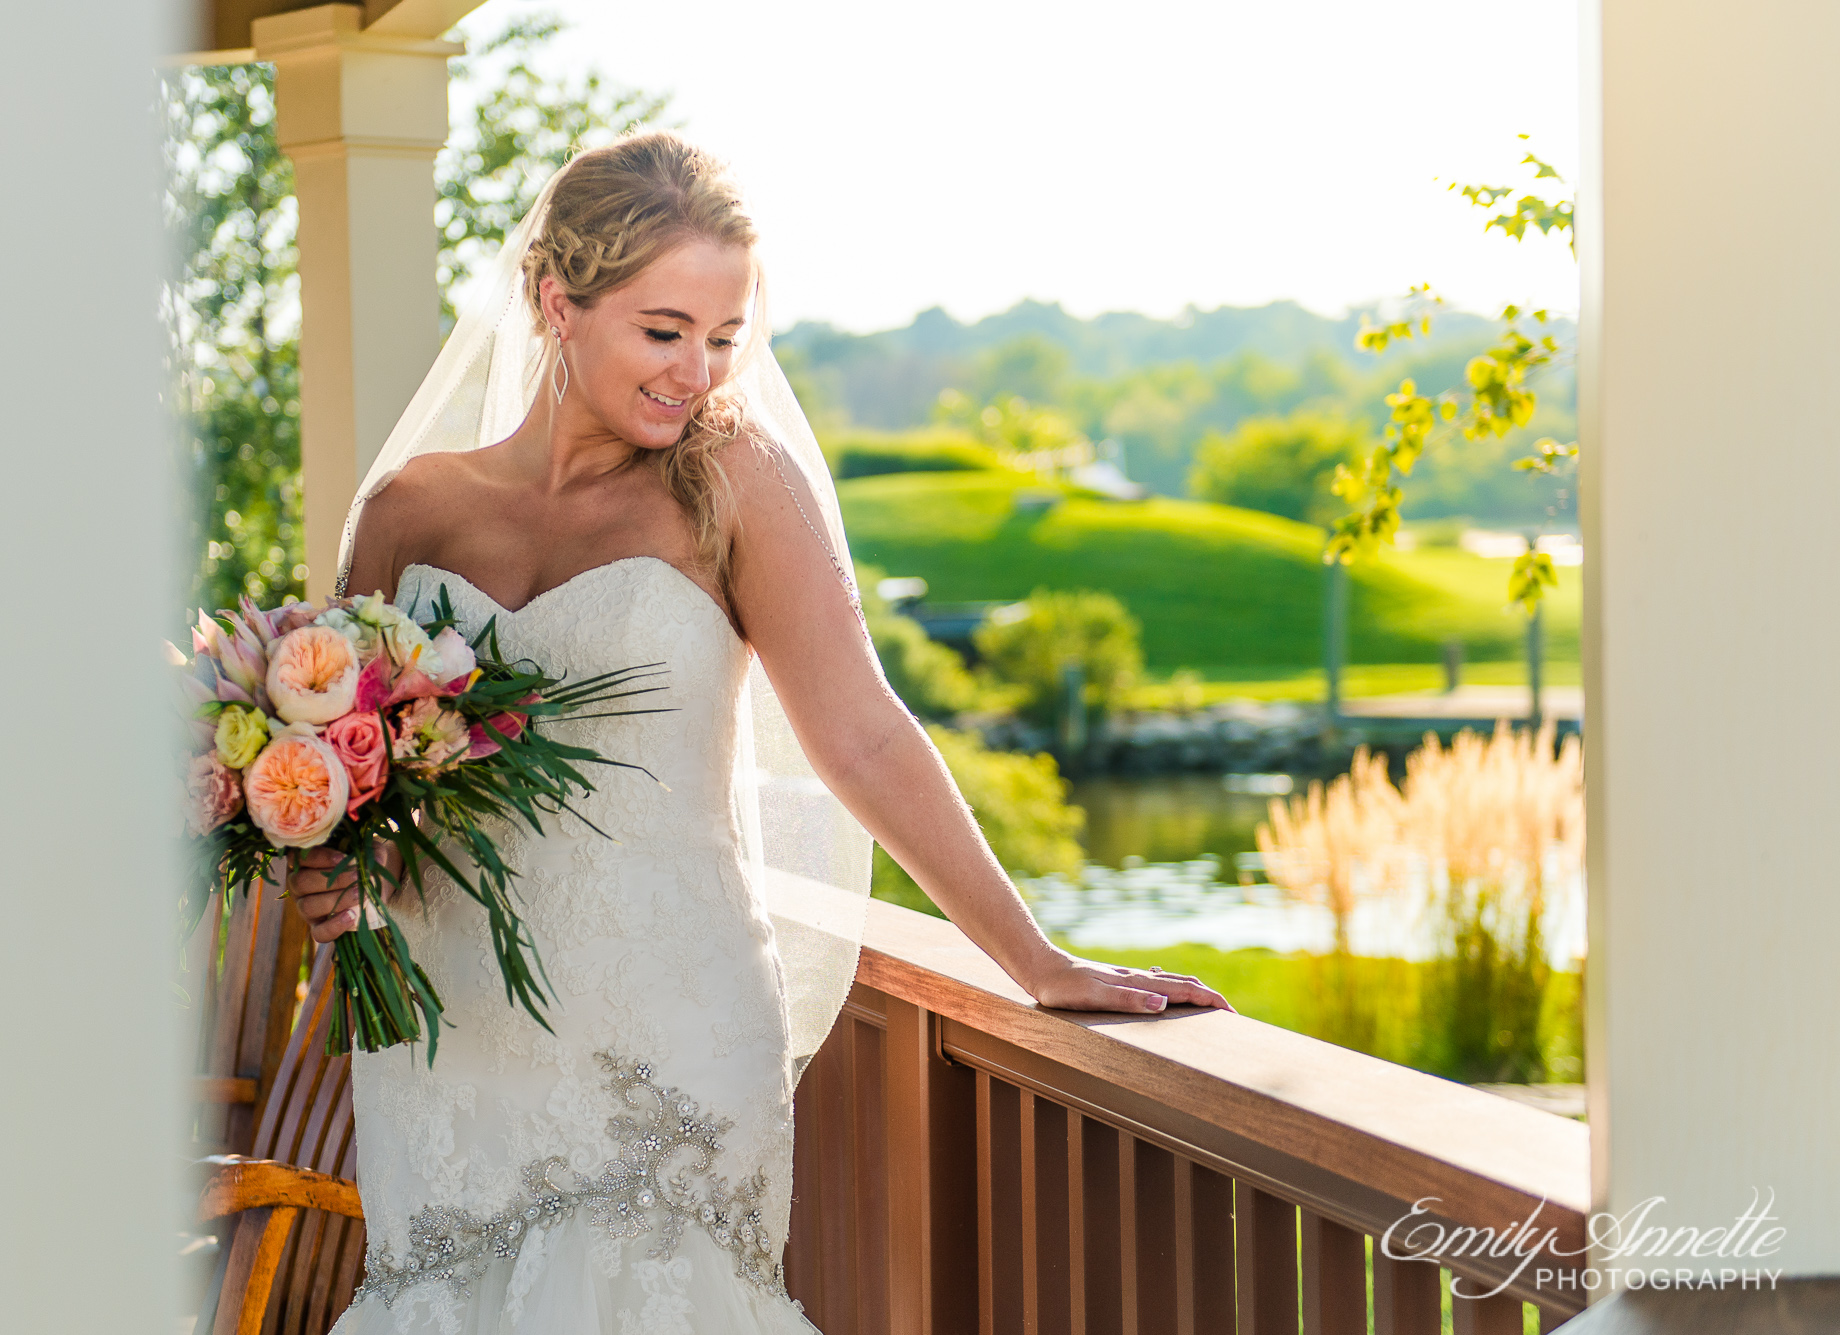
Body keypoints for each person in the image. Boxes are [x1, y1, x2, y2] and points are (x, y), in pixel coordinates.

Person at [290, 130, 1229, 1334]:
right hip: (452, 1026)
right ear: (551, 302)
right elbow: (354, 772)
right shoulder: (409, 511)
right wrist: (335, 871)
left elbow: (863, 739)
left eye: (724, 337)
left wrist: (1036, 963)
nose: (696, 372)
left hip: (666, 1023)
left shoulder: (732, 482)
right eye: (663, 330)